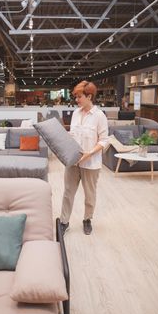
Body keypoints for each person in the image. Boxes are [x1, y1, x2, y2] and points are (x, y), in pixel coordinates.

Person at [60, 80, 108, 235]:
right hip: (73, 162)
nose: (76, 100)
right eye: (76, 97)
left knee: (89, 195)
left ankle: (87, 219)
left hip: (91, 163)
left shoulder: (99, 116)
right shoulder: (75, 113)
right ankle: (64, 221)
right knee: (68, 192)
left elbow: (104, 140)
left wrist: (89, 153)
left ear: (89, 96)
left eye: (79, 96)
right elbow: (74, 136)